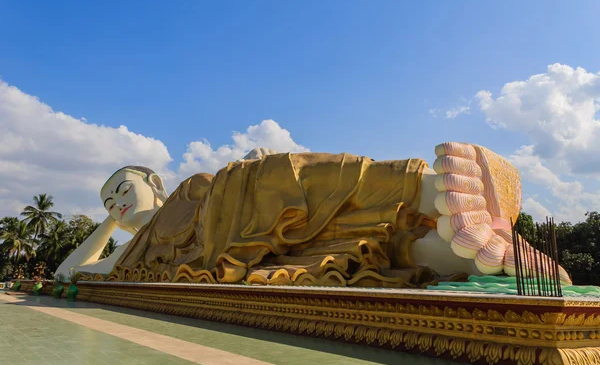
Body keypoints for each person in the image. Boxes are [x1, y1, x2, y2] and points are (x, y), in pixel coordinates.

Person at [55, 142, 571, 287]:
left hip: (221, 204)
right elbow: (69, 272)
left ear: (154, 183)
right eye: (107, 203)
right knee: (347, 253)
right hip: (217, 250)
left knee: (290, 178)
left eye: (122, 191)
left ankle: (436, 189)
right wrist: (113, 226)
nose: (117, 205)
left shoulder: (177, 198)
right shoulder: (132, 250)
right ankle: (472, 249)